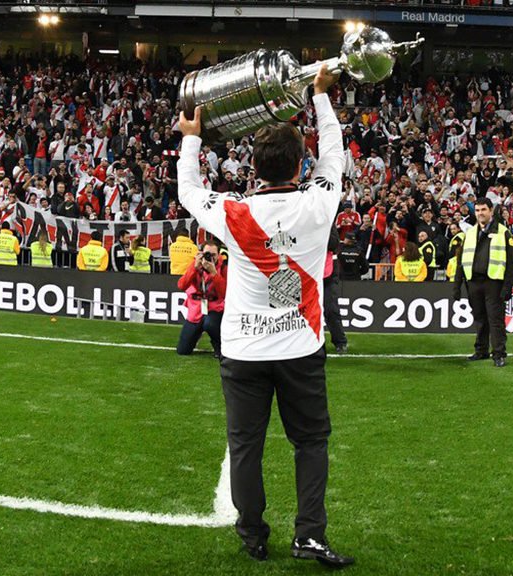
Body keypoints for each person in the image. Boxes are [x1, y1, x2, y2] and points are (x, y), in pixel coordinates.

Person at [176, 63, 353, 567]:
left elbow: (189, 191)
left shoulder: (234, 212)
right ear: (301, 165)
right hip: (300, 346)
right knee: (311, 442)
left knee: (246, 446)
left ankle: (252, 533)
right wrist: (319, 97)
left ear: (255, 168)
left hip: (243, 349)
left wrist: (192, 138)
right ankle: (310, 536)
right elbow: (335, 157)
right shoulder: (319, 204)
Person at [453, 197, 513, 368]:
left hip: (493, 282)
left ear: (491, 211)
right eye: (478, 210)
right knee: (480, 319)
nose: (480, 213)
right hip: (474, 282)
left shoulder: (503, 232)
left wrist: (508, 287)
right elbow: (461, 261)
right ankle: (481, 350)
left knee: (495, 320)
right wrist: (456, 286)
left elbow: (511, 263)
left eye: (483, 210)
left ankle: (499, 354)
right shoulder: (471, 233)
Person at [176, 240, 226, 358]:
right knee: (183, 350)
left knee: (210, 324)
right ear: (201, 253)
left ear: (219, 255)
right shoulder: (195, 264)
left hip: (215, 309)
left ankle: (219, 344)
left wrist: (214, 273)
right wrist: (194, 268)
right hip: (196, 310)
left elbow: (224, 293)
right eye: (207, 254)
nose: (210, 258)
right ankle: (194, 336)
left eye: (213, 255)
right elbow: (181, 285)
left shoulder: (223, 267)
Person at [323, 226, 348, 353]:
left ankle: (340, 342)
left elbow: (334, 244)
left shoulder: (328, 222)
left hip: (328, 272)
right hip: (308, 271)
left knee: (331, 309)